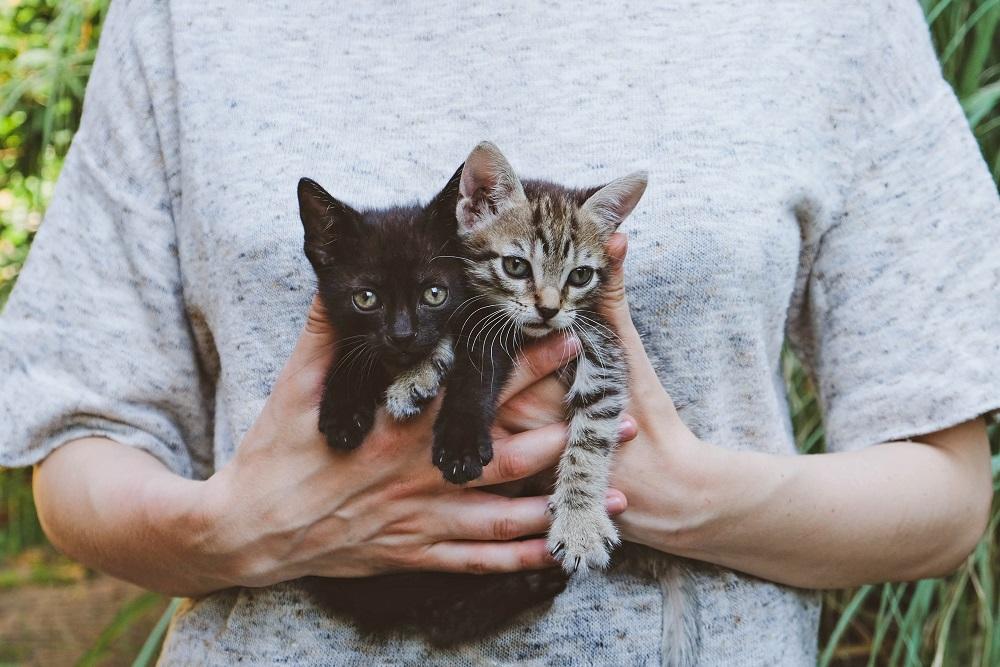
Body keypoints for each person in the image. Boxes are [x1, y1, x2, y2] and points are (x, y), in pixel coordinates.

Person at [2, 0, 997, 664]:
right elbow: (80, 449)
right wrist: (234, 530)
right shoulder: (185, 18)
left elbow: (946, 495)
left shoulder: (832, 17)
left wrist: (676, 492)